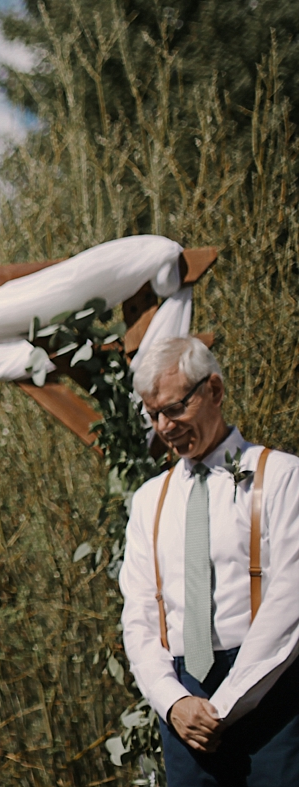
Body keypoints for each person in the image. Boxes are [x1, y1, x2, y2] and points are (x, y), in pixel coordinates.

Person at [119, 335, 299, 785]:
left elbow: (290, 599)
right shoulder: (148, 502)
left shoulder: (281, 477)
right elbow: (139, 616)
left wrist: (228, 701)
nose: (164, 426)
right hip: (184, 698)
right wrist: (173, 701)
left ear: (214, 391)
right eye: (153, 413)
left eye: (175, 409)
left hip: (271, 690)